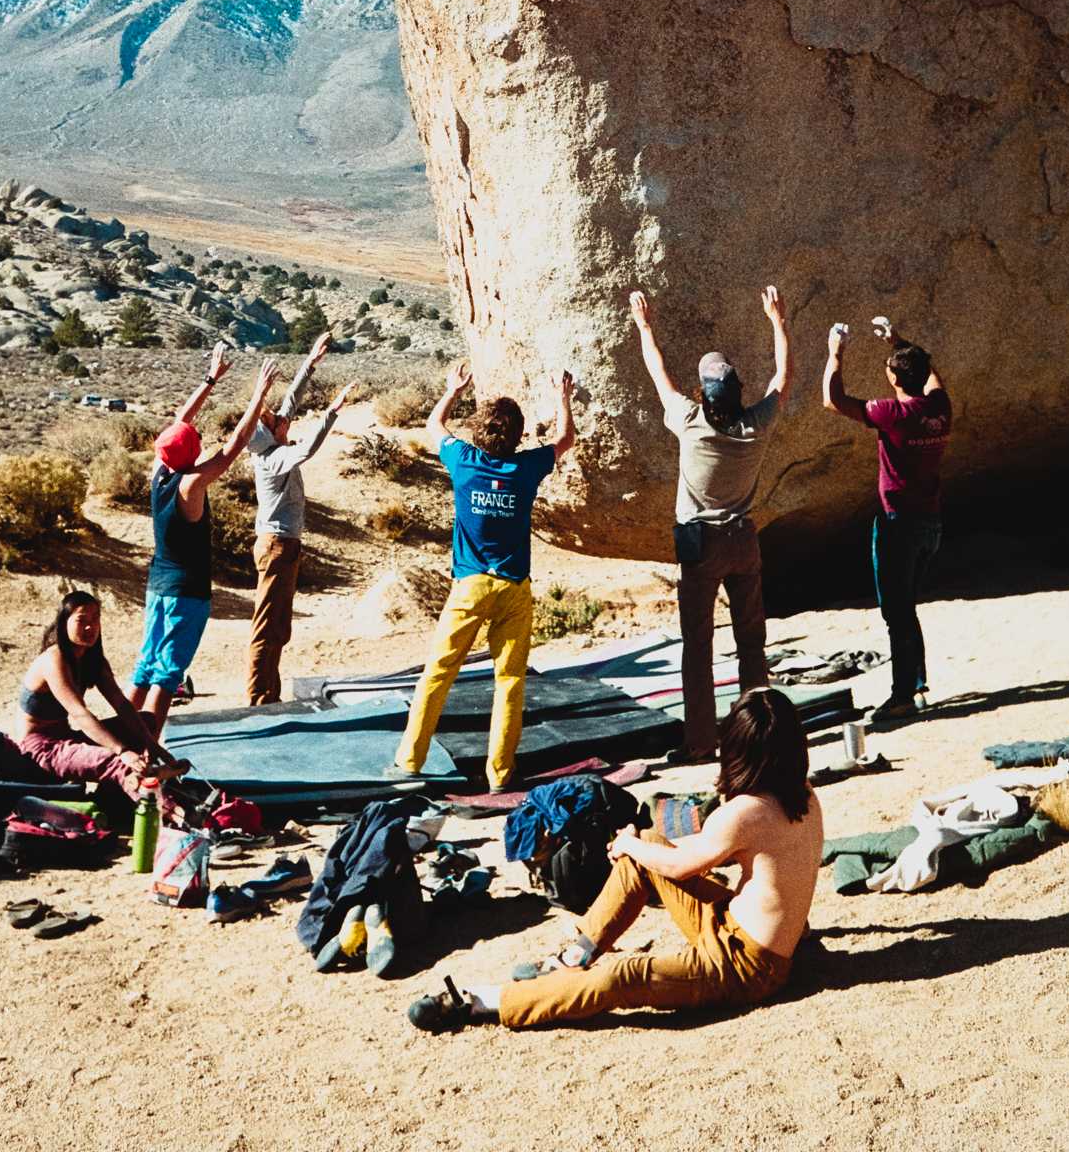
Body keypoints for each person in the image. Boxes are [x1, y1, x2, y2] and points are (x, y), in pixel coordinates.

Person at [407, 687, 822, 1032]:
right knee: (649, 842)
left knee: (621, 978)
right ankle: (576, 955)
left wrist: (627, 845)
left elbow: (682, 866)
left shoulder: (747, 812)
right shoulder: (802, 793)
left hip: (746, 968)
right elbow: (706, 850)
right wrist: (639, 844)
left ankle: (482, 1003)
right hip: (734, 929)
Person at [391, 362, 576, 791]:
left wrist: (453, 390)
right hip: (513, 587)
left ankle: (411, 760)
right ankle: (501, 773)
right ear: (515, 437)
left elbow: (433, 423)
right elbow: (565, 440)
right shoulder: (526, 469)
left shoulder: (464, 462)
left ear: (479, 433)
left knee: (438, 673)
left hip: (470, 586)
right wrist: (563, 399)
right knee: (509, 682)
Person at [630, 286, 791, 761]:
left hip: (699, 547)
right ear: (738, 389)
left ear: (703, 390)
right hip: (744, 541)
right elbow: (784, 376)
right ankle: (758, 737)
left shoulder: (689, 421)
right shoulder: (755, 426)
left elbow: (657, 371)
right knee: (751, 642)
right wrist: (777, 321)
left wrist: (644, 326)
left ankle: (701, 743)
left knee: (698, 647)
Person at [128, 349, 280, 734]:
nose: (197, 436)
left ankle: (123, 738)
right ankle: (145, 748)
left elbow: (181, 421)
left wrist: (211, 379)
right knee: (167, 674)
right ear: (191, 452)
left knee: (146, 666)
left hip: (158, 585)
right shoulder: (190, 485)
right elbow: (235, 445)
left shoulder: (160, 471)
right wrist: (258, 395)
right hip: (186, 592)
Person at [821, 317, 951, 724]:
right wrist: (899, 342)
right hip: (930, 522)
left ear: (894, 377)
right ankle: (917, 684)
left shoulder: (893, 413)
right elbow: (930, 375)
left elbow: (832, 399)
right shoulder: (938, 408)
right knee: (907, 607)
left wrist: (834, 353)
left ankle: (902, 696)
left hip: (899, 526)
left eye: (891, 366)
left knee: (896, 612)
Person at [244, 328, 357, 704]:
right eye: (277, 419)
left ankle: (269, 696)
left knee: (278, 628)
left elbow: (290, 402)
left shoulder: (272, 441)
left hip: (284, 545)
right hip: (276, 546)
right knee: (267, 628)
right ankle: (259, 698)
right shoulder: (273, 459)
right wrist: (332, 413)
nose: (283, 417)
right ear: (271, 433)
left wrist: (310, 362)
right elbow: (307, 448)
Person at [18, 588, 175, 803]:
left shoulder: (94, 660)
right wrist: (122, 751)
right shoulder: (54, 659)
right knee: (118, 761)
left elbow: (121, 704)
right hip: (42, 748)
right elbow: (79, 713)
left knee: (146, 721)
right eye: (82, 620)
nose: (90, 627)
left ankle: (112, 803)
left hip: (67, 737)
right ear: (64, 623)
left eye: (95, 619)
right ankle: (171, 813)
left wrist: (151, 743)